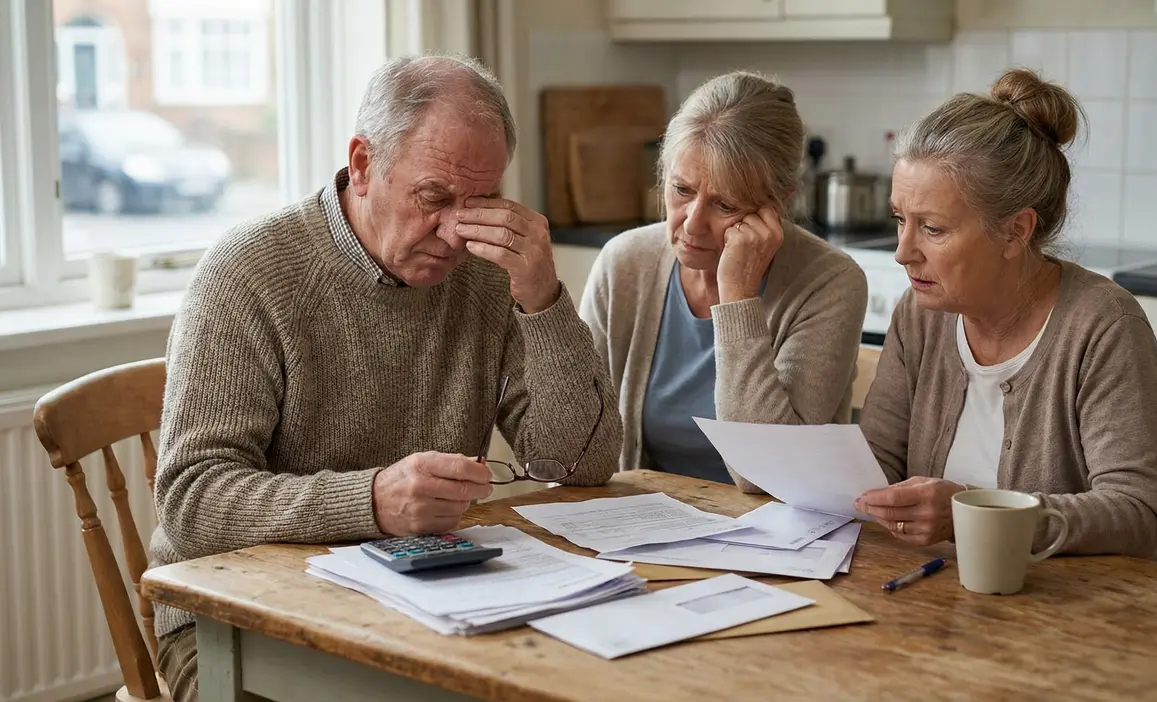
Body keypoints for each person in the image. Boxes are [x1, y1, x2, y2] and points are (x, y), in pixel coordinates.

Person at [149, 53, 623, 700]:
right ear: (365, 164)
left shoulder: (486, 272)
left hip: (423, 600)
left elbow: (579, 463)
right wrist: (371, 502)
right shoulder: (247, 274)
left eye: (480, 201)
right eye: (434, 197)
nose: (456, 231)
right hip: (236, 619)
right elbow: (191, 501)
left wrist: (542, 299)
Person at [855, 68, 1157, 567]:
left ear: (1016, 231)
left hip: (1109, 615)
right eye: (899, 220)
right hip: (956, 598)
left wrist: (973, 513)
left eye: (931, 227)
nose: (903, 252)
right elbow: (877, 463)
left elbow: (1138, 513)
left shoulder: (1104, 325)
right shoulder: (920, 314)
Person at [579, 71, 868, 489]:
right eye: (681, 190)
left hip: (775, 537)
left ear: (777, 204)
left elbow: (770, 477)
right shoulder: (625, 263)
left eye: (724, 204)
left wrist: (737, 297)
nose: (692, 225)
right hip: (642, 527)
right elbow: (578, 446)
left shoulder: (829, 282)